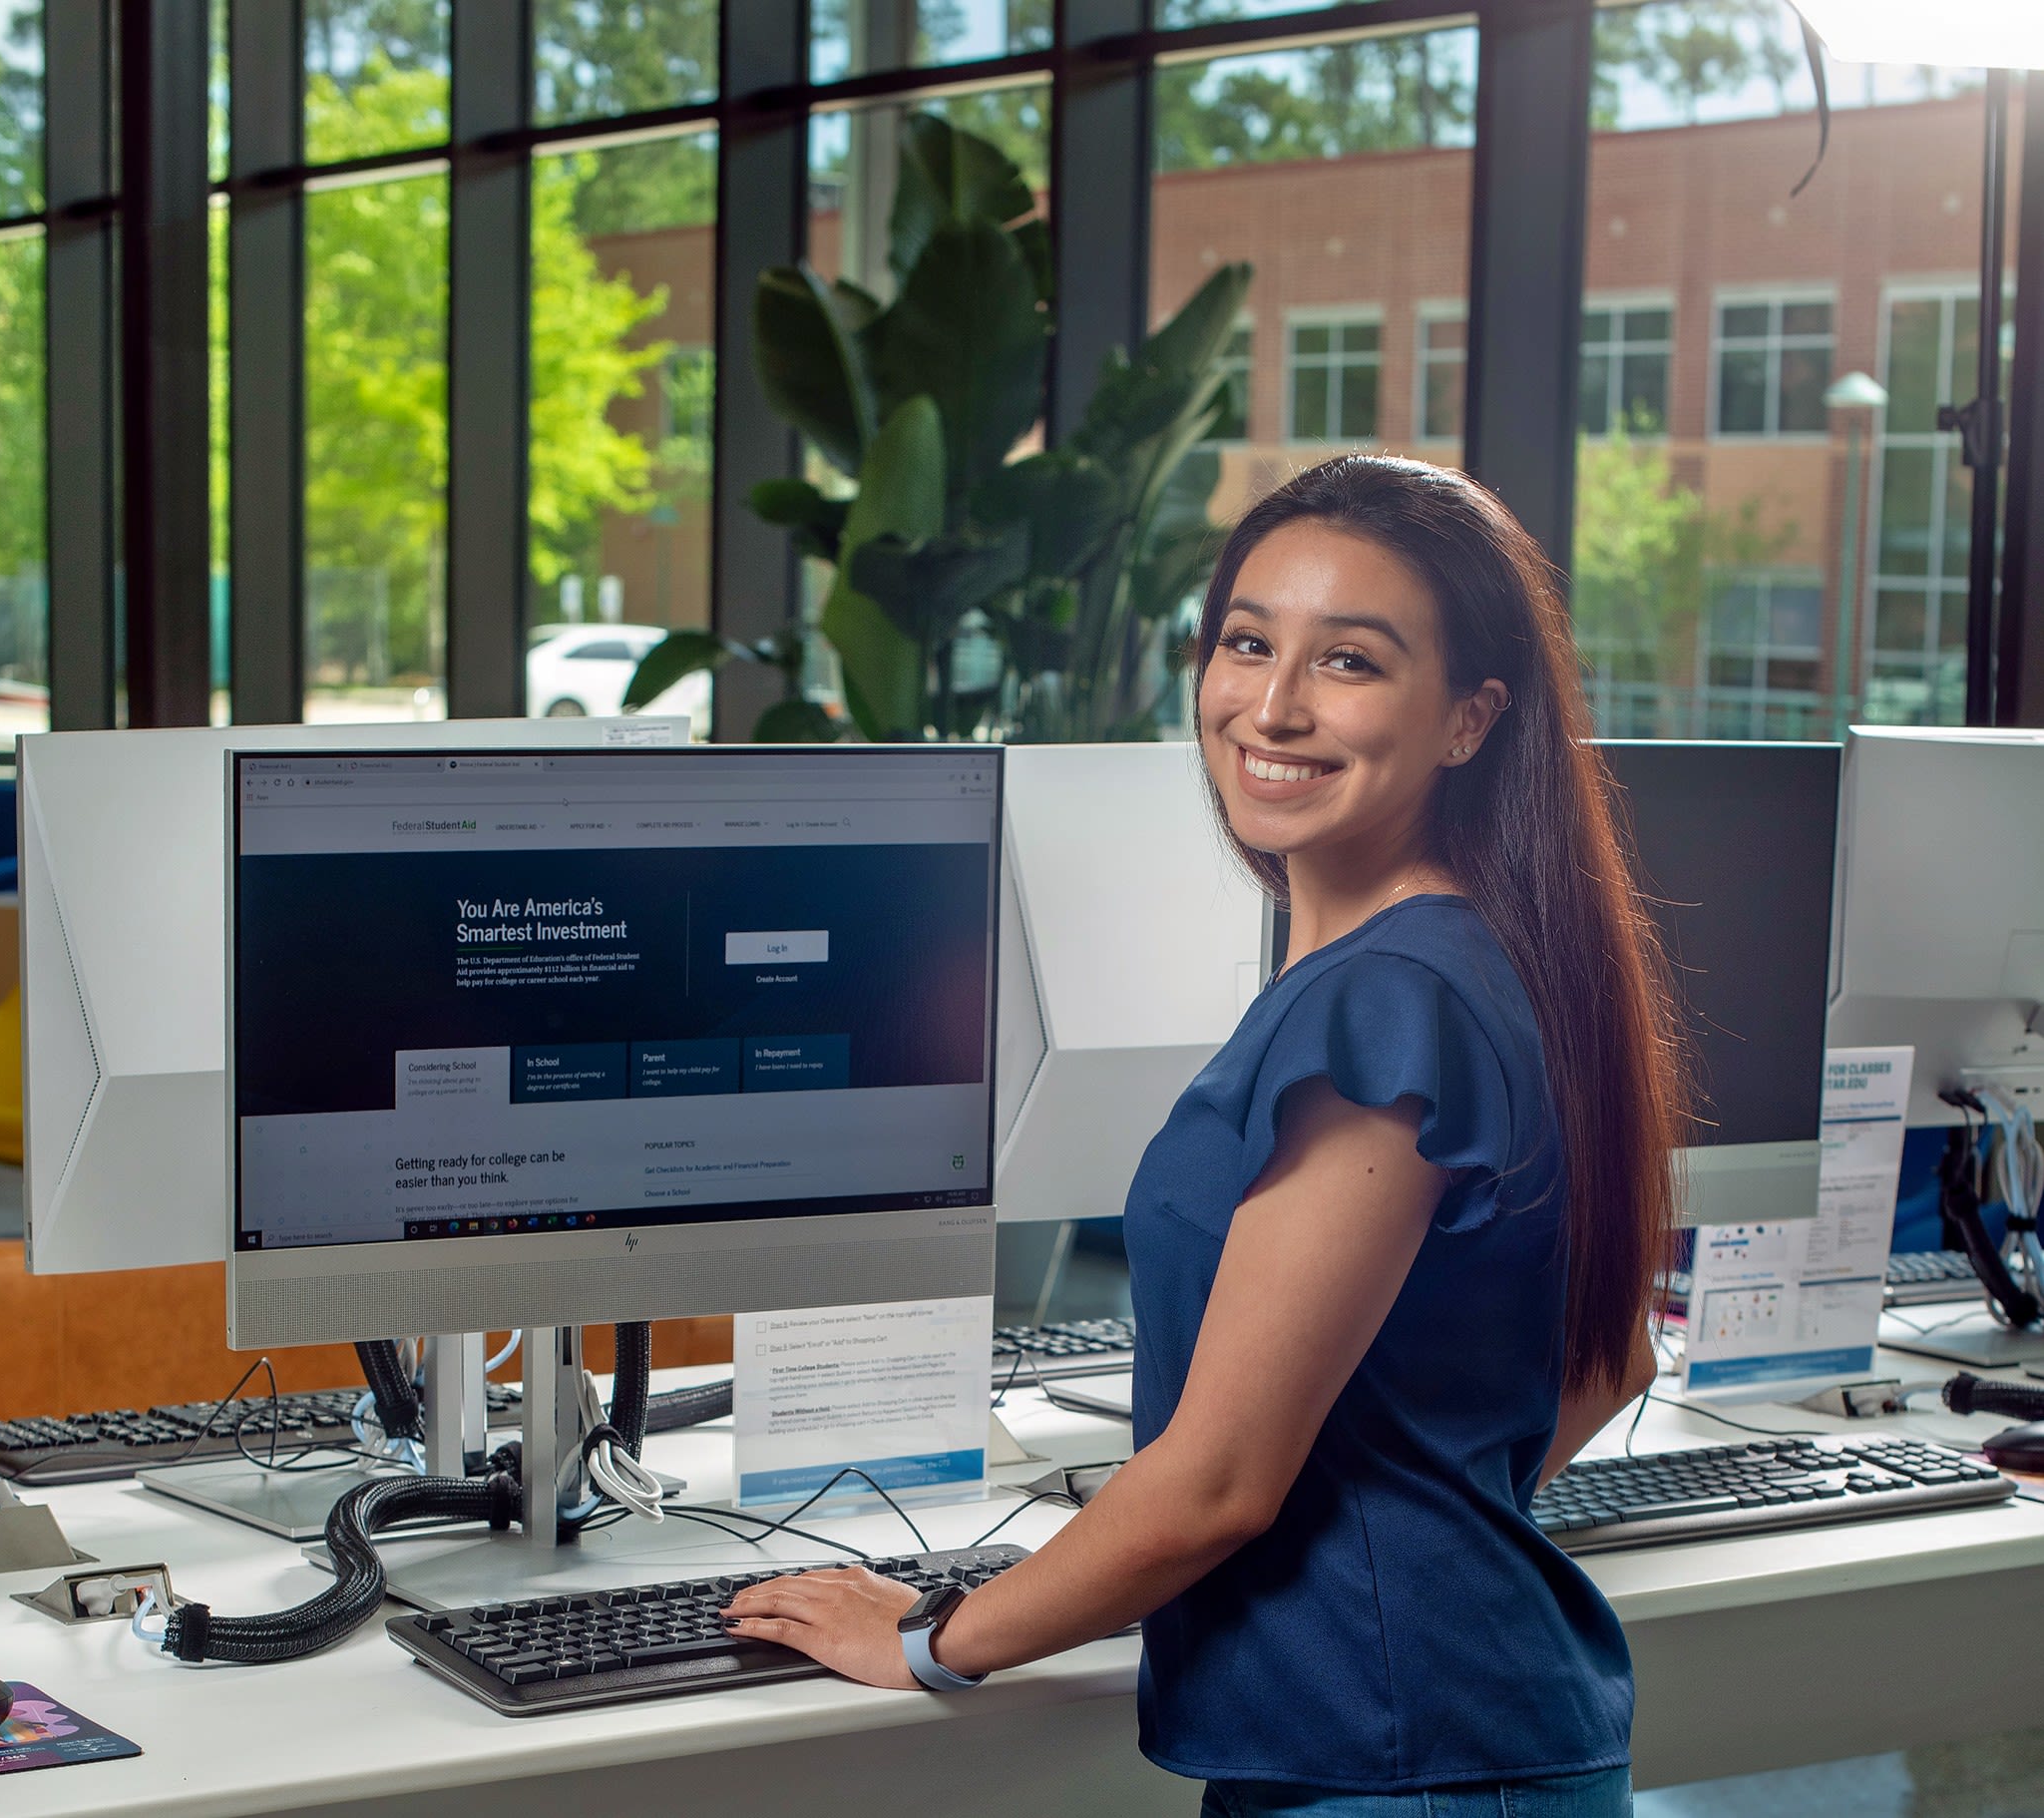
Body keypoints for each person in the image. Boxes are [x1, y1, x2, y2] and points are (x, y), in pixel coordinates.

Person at [723, 456, 1690, 1816]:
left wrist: (933, 1637)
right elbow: (1613, 1355)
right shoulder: (1482, 955)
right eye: (1247, 641)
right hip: (1447, 1735)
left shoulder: (1386, 1004)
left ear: (1470, 718)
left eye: (1349, 660)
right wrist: (1401, 1509)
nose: (1273, 704)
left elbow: (1220, 1483)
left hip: (1398, 1758)